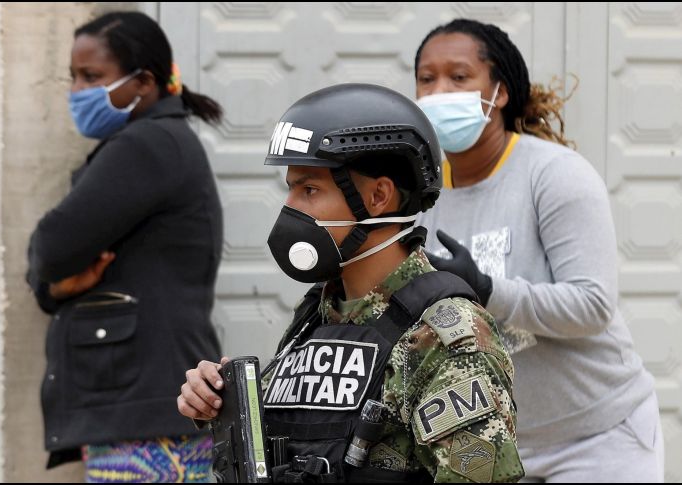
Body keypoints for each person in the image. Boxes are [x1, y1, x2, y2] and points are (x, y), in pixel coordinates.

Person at [178, 83, 524, 482]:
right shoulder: (319, 314)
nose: (290, 209)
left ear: (378, 197)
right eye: (291, 189)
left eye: (309, 190)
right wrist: (217, 400)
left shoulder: (443, 335)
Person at [413, 18, 664, 482]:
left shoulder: (553, 175)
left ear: (499, 93)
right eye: (427, 79)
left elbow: (592, 306)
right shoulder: (421, 200)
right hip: (496, 446)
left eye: (460, 76)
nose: (440, 91)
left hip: (598, 438)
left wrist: (487, 290)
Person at [26, 11, 224, 483]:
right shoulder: (153, 141)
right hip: (148, 409)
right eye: (73, 77)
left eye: (92, 77)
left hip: (149, 417)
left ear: (144, 82)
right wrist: (56, 290)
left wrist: (51, 277)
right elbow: (55, 264)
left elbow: (51, 247)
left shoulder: (148, 144)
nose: (77, 91)